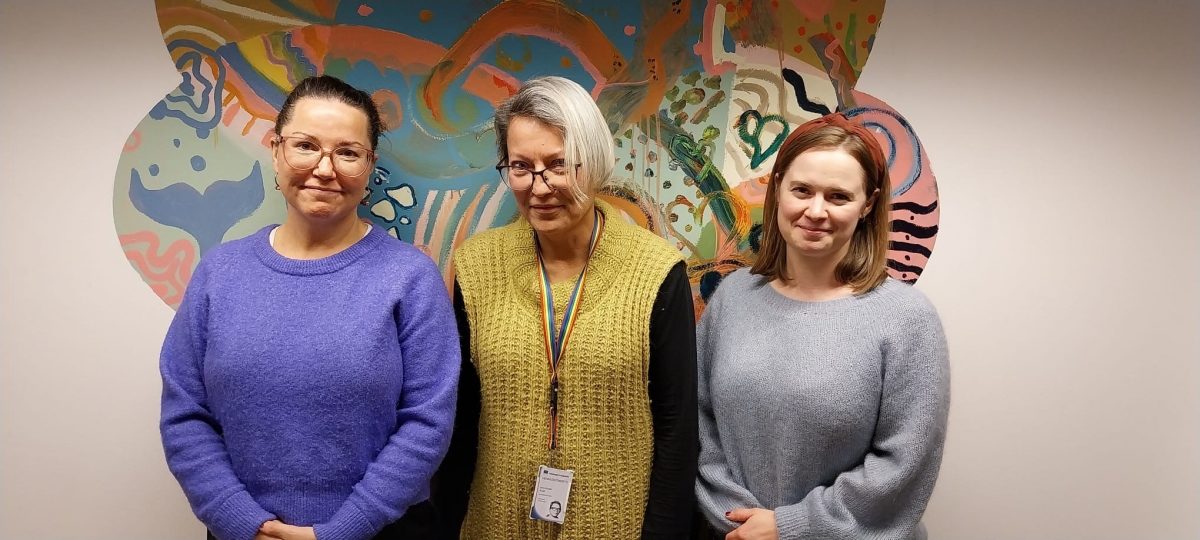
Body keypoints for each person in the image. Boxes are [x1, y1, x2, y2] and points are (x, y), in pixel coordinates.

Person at [159, 75, 460, 540]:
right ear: (276, 150)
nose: (325, 168)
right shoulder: (219, 273)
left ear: (370, 165)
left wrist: (344, 529)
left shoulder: (410, 278)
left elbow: (428, 420)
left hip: (385, 530)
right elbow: (185, 413)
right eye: (306, 146)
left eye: (348, 152)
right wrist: (240, 521)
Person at [430, 76, 698, 539]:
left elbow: (677, 428)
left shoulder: (656, 270)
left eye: (558, 165)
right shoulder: (476, 266)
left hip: (615, 523)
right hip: (496, 523)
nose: (540, 186)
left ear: (593, 163)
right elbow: (464, 417)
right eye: (521, 166)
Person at [694, 113, 950, 540]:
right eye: (802, 190)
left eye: (838, 196)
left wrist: (789, 528)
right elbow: (699, 423)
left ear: (867, 204)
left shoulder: (906, 319)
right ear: (777, 189)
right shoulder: (732, 299)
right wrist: (735, 517)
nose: (816, 211)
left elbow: (905, 463)